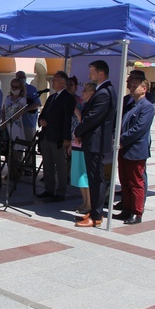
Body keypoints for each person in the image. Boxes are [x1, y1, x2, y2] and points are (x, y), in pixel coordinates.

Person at [73, 60, 117, 227]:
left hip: (96, 141)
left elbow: (93, 117)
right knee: (93, 177)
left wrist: (78, 131)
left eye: (91, 71)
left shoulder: (105, 92)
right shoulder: (103, 90)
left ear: (101, 73)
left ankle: (97, 216)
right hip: (93, 140)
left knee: (96, 179)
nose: (89, 75)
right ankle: (94, 212)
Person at [114, 78, 155, 225]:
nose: (131, 88)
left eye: (135, 86)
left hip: (135, 150)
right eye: (131, 86)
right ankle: (126, 208)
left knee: (136, 182)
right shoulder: (131, 104)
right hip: (124, 148)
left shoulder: (147, 107)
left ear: (144, 89)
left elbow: (139, 129)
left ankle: (136, 213)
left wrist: (121, 139)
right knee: (124, 181)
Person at [37, 71, 75, 202]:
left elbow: (67, 119)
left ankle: (60, 191)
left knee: (60, 165)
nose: (52, 82)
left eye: (55, 80)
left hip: (58, 137)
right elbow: (43, 112)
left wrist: (66, 138)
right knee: (47, 164)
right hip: (46, 135)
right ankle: (49, 189)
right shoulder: (51, 97)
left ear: (63, 83)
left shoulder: (68, 98)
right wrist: (41, 120)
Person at [69, 82, 95, 214]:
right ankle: (84, 201)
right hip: (76, 142)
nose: (83, 93)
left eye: (85, 91)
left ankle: (89, 203)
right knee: (79, 174)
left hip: (84, 143)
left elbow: (84, 121)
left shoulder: (91, 107)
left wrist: (76, 110)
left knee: (85, 174)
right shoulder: (83, 105)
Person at [16, 71, 41, 170]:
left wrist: (24, 110)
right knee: (17, 144)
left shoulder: (31, 89)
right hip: (17, 123)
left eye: (23, 77)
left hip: (28, 122)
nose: (21, 78)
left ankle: (29, 166)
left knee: (29, 144)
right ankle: (17, 165)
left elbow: (37, 103)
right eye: (19, 77)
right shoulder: (15, 88)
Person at [1, 78, 28, 166]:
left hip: (16, 125)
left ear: (21, 88)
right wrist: (3, 122)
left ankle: (17, 169)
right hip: (6, 125)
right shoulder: (8, 98)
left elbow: (18, 114)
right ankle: (9, 169)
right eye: (12, 86)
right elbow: (3, 111)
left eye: (16, 87)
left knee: (16, 148)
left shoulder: (22, 100)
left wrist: (8, 121)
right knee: (7, 147)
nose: (14, 88)